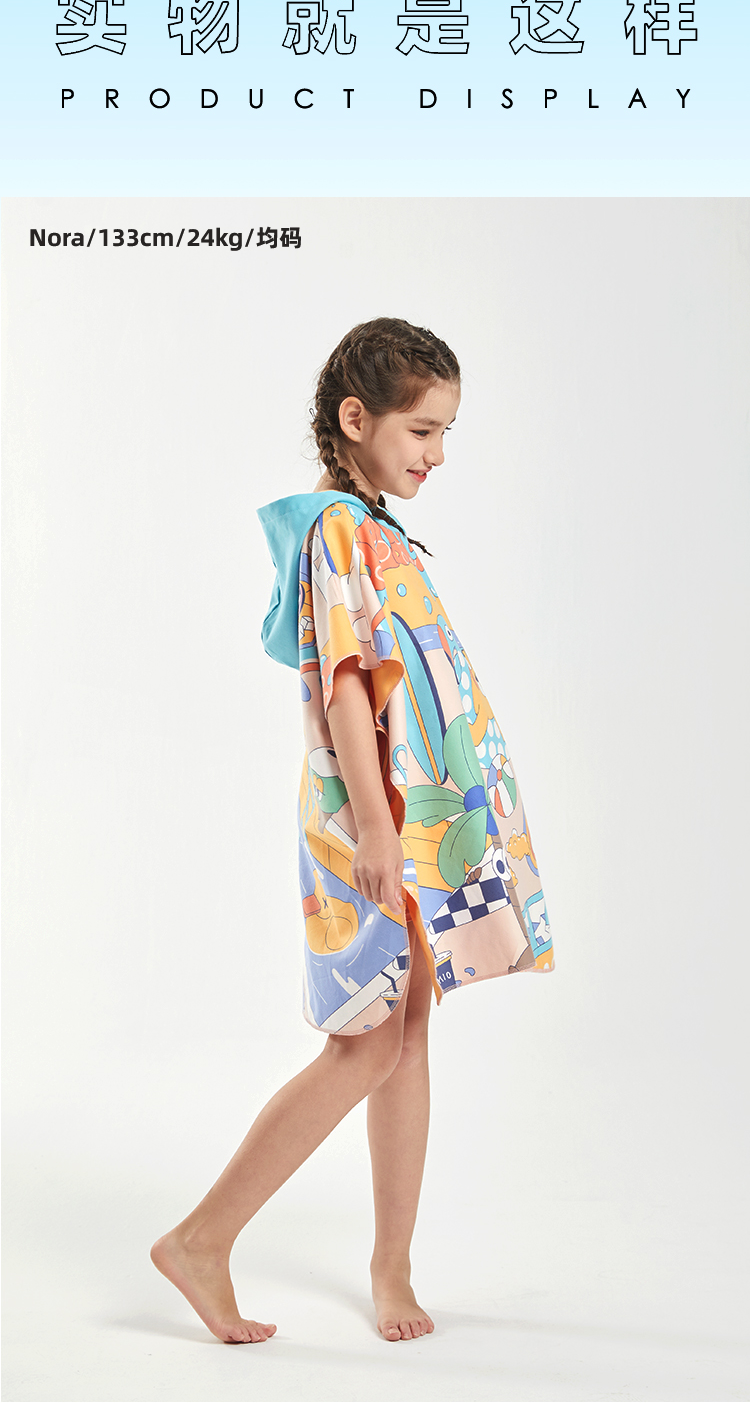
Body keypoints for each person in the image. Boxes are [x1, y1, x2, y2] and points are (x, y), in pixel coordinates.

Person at [150, 316, 554, 1345]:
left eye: (447, 431)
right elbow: (344, 686)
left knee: (407, 1031)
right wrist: (378, 828)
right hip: (372, 822)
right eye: (422, 429)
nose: (438, 453)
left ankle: (391, 1264)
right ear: (356, 418)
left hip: (404, 820)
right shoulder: (340, 530)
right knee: (366, 1040)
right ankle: (201, 1237)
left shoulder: (374, 527)